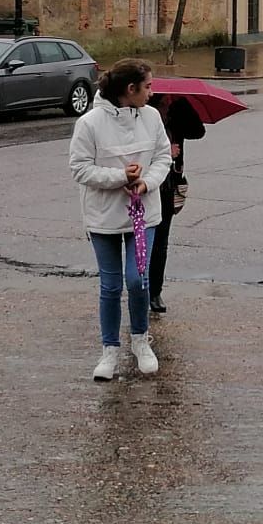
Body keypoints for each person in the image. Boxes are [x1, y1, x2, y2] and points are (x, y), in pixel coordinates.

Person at [69, 58, 172, 381]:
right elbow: (80, 168)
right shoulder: (90, 123)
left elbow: (162, 157)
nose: (152, 93)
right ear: (131, 89)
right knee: (111, 285)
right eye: (149, 87)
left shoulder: (152, 117)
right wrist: (119, 177)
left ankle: (141, 340)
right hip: (103, 217)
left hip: (144, 214)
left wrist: (146, 182)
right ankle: (109, 350)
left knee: (137, 279)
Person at [149, 96, 205, 315]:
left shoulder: (176, 111)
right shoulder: (143, 113)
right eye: (164, 101)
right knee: (142, 239)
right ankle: (139, 287)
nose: (168, 103)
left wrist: (182, 105)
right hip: (145, 186)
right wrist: (164, 151)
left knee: (161, 241)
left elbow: (197, 132)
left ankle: (155, 291)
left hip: (169, 186)